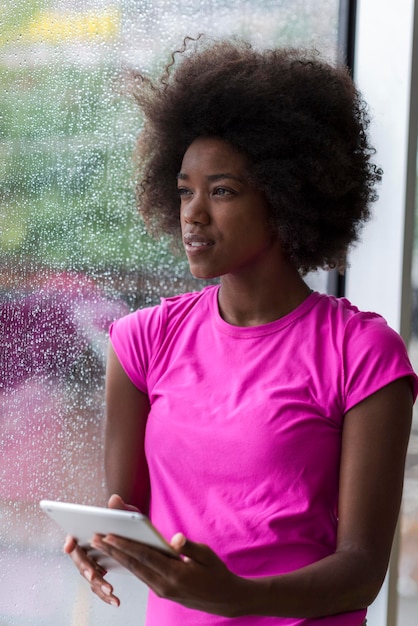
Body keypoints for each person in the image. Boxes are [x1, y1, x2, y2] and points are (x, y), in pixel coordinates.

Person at [64, 37, 418, 625]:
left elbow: (361, 571)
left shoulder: (362, 355)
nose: (192, 213)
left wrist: (237, 598)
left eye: (221, 190)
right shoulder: (141, 343)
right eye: (184, 191)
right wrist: (103, 546)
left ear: (285, 197)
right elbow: (135, 522)